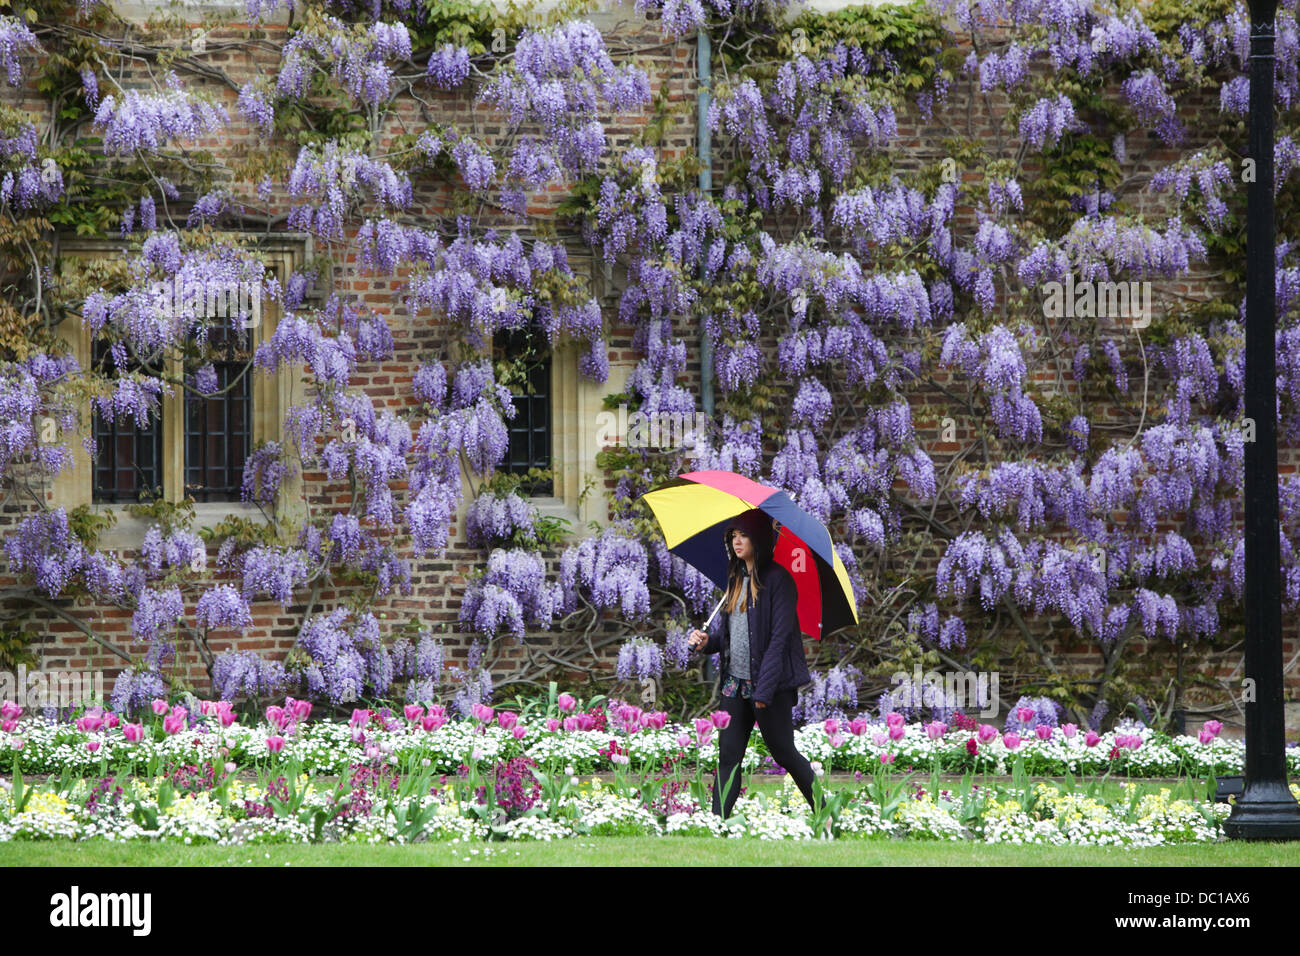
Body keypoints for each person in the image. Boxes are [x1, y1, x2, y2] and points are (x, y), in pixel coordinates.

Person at [687, 508, 822, 819]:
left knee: (785, 753)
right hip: (734, 686)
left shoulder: (779, 581)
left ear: (758, 539)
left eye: (744, 535)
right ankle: (717, 823)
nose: (737, 541)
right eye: (733, 535)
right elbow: (733, 638)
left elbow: (779, 640)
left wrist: (764, 690)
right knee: (728, 757)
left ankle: (825, 812)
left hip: (769, 688)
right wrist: (709, 643)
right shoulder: (736, 578)